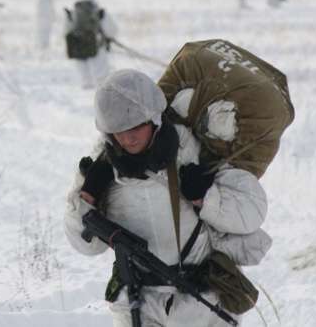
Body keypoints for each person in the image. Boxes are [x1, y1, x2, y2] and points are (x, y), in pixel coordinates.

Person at [65, 69, 271, 327]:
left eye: (136, 126)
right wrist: (86, 197)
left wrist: (206, 198)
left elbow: (252, 212)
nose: (128, 137)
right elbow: (85, 246)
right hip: (138, 306)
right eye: (119, 130)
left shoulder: (192, 149)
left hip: (202, 304)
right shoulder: (102, 168)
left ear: (154, 119)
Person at [64, 0, 117, 89]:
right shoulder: (99, 12)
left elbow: (66, 30)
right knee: (101, 74)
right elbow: (112, 29)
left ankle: (86, 89)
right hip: (96, 46)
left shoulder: (73, 12)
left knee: (84, 75)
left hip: (77, 46)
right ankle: (102, 89)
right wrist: (109, 38)